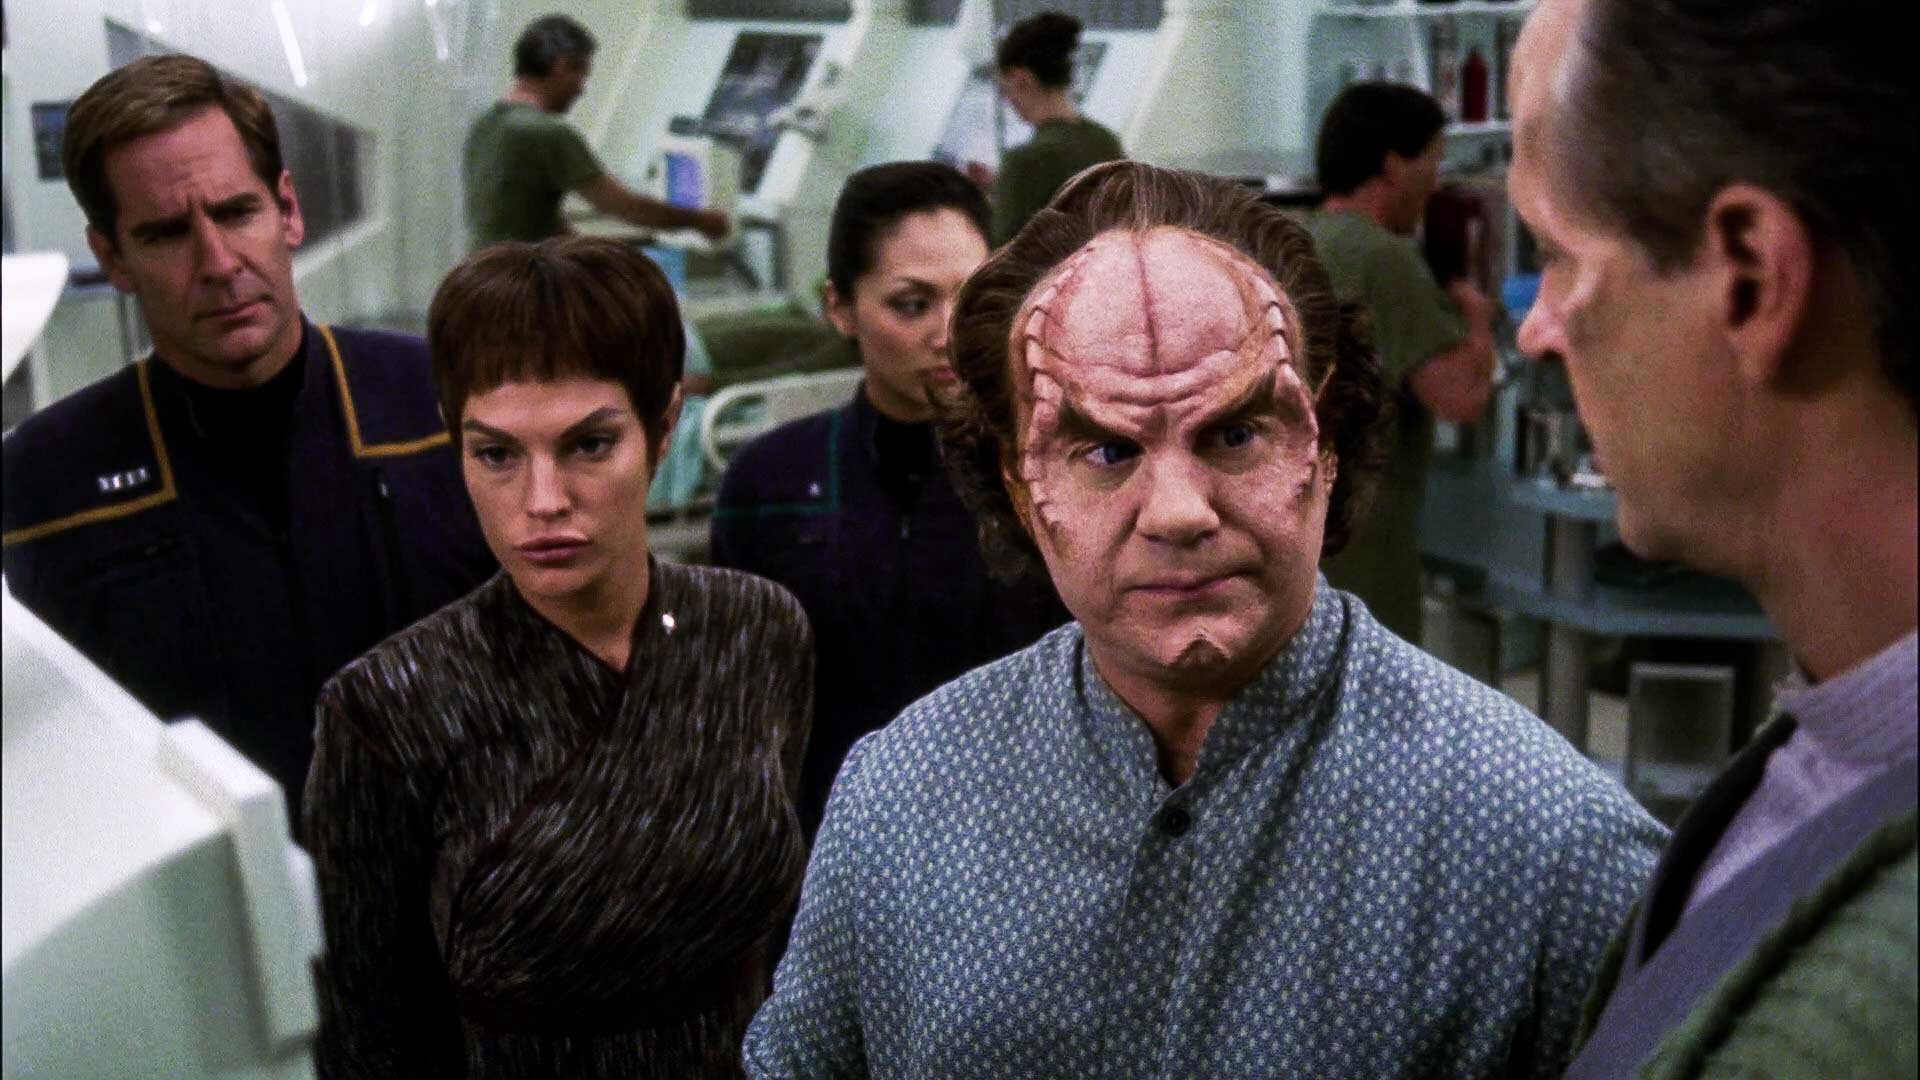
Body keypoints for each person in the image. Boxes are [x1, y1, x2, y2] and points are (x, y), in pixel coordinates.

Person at [745, 161, 1665, 1078]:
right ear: (1018, 486)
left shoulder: (1553, 853)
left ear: (1329, 445)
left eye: (1235, 434)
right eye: (1106, 451)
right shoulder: (900, 800)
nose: (1179, 512)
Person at [1507, 0, 1917, 1074]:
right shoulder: (1837, 737)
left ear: (1750, 276)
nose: (1536, 329)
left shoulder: (1871, 1012)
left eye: (1557, 256)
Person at [305, 237, 812, 1077]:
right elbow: (370, 1035)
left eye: (589, 445)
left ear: (663, 427)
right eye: (497, 454)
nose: (543, 502)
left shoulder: (756, 631)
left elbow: (783, 937)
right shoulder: (388, 708)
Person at [0, 55, 494, 812]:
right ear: (113, 258)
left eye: (236, 213)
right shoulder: (47, 484)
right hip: (229, 881)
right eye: (167, 234)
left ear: (287, 211)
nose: (219, 263)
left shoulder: (442, 405)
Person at [710, 161, 1069, 837]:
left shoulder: (1048, 474)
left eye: (971, 297)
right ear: (840, 308)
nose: (948, 332)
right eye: (911, 304)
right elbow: (740, 716)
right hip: (829, 844)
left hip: (1019, 844)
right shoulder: (771, 486)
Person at [1300, 82, 1495, 643]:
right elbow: (1459, 398)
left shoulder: (1299, 240)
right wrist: (1477, 321)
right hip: (1365, 555)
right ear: (1393, 165)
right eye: (1431, 163)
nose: (1436, 183)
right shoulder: (1384, 260)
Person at [464, 14, 728, 247]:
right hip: (521, 281)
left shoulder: (486, 125)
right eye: (582, 75)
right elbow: (628, 207)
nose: (581, 89)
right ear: (561, 67)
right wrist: (702, 221)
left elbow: (526, 219)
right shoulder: (547, 133)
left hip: (482, 275)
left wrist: (598, 257)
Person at [970, 11, 1125, 246]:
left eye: (1005, 88)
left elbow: (1002, 255)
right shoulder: (1104, 140)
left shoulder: (1027, 160)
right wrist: (1001, 183)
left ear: (1022, 80)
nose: (1007, 99)